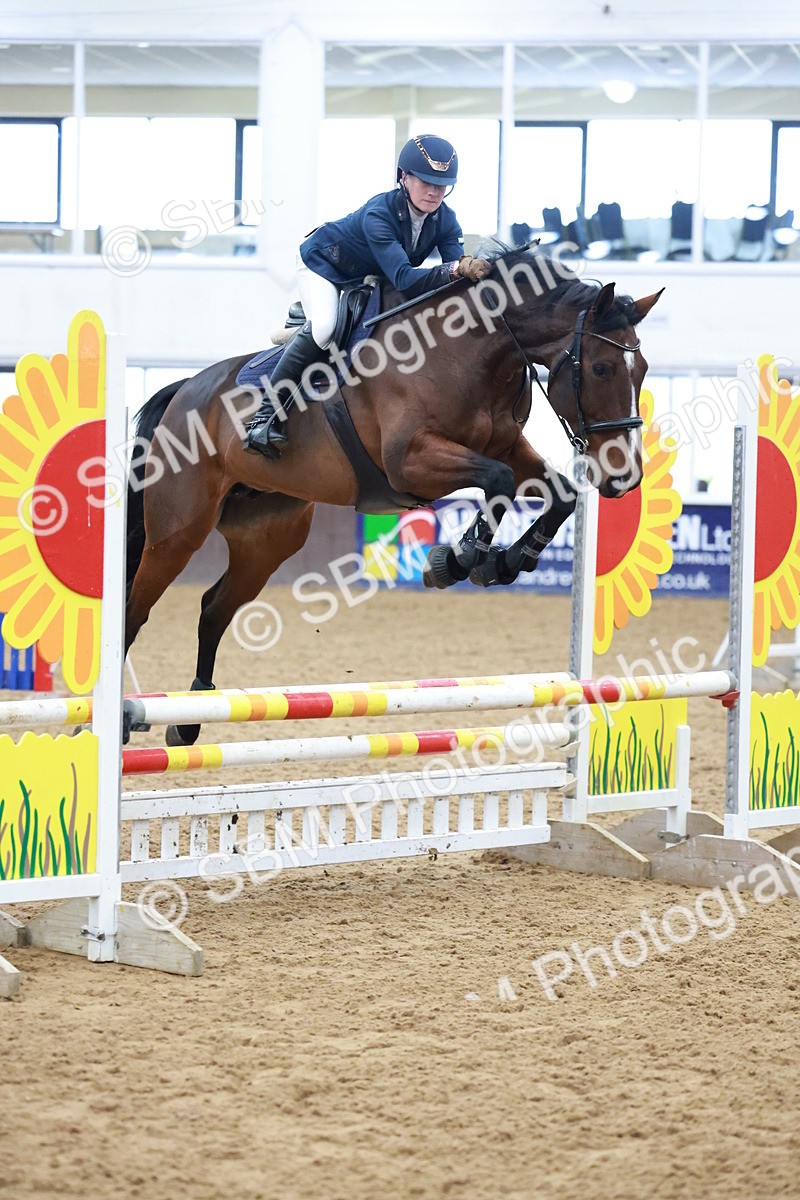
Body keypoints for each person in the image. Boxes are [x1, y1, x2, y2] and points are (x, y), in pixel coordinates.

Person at [244, 133, 492, 458]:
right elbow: (406, 279)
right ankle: (264, 418)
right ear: (404, 177)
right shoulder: (380, 213)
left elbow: (455, 272)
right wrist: (457, 270)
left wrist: (478, 271)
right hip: (324, 265)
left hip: (367, 276)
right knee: (324, 330)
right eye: (426, 181)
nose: (434, 191)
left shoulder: (446, 220)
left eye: (442, 185)